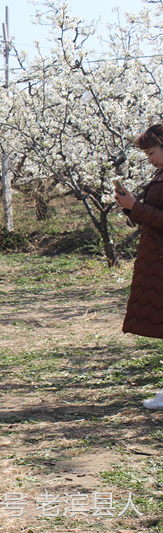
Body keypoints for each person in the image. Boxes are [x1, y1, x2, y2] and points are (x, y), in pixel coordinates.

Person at [115, 124, 163, 409]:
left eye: (151, 152)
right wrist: (130, 206)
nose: (149, 159)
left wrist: (138, 207)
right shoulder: (160, 175)